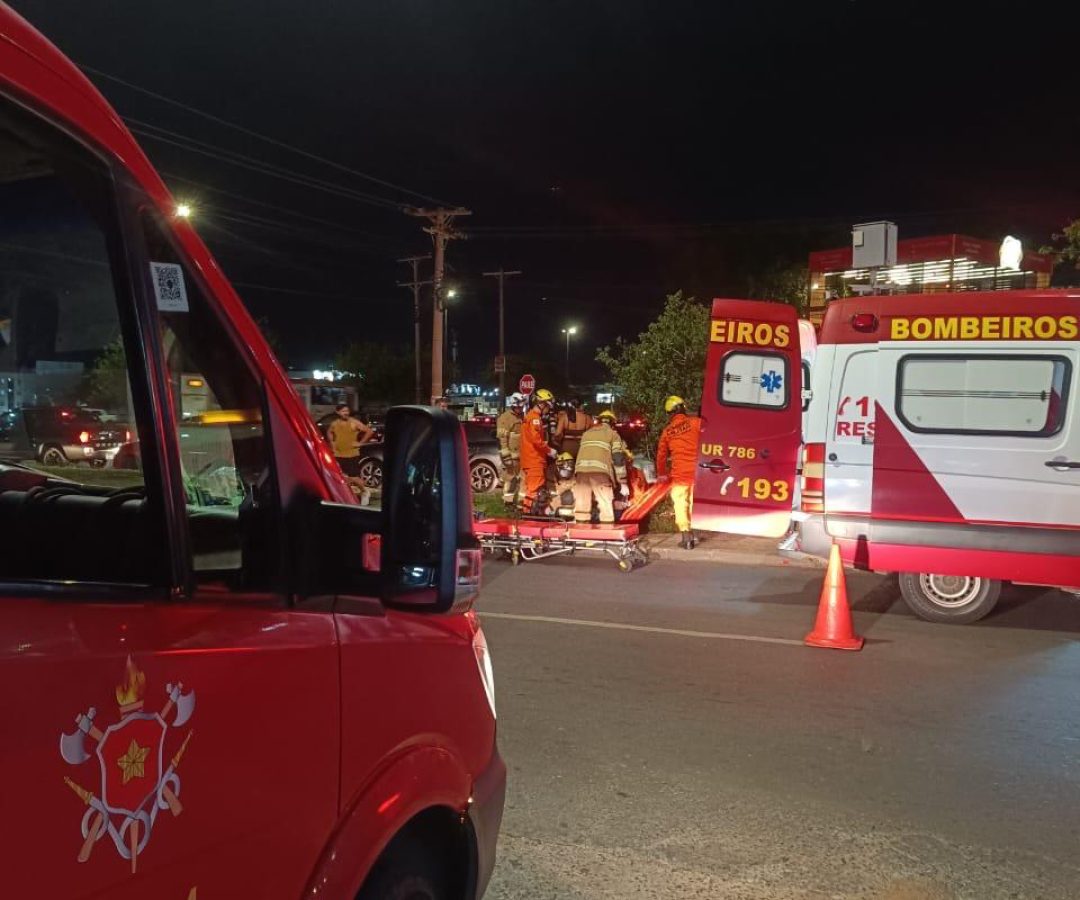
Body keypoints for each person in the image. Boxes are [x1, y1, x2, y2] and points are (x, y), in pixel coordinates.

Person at [656, 394, 702, 549]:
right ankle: (695, 532)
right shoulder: (696, 422)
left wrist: (661, 473)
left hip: (680, 475)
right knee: (694, 503)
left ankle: (686, 537)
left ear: (670, 413)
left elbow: (661, 455)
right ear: (683, 408)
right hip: (698, 472)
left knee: (681, 503)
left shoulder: (667, 431)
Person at [573, 409, 628, 524]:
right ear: (613, 423)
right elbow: (618, 458)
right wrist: (622, 481)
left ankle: (581, 536)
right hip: (600, 474)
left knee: (581, 508)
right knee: (605, 507)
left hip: (580, 473)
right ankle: (607, 536)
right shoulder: (613, 434)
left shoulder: (586, 434)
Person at [520, 388, 558, 514]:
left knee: (531, 490)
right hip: (534, 460)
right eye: (548, 406)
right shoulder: (534, 419)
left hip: (531, 459)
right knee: (535, 490)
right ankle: (529, 517)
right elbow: (536, 440)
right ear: (541, 404)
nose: (548, 409)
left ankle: (527, 514)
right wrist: (549, 450)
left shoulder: (531, 417)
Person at [326, 402, 375, 486]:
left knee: (354, 477)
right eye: (343, 411)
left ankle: (365, 492)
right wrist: (332, 443)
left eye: (347, 411)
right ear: (337, 412)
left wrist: (360, 443)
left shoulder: (354, 422)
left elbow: (369, 431)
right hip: (338, 455)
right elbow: (329, 432)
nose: (346, 413)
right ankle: (348, 494)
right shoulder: (334, 423)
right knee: (341, 477)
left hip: (351, 455)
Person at [496, 393, 526, 505]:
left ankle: (521, 503)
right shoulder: (505, 418)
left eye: (522, 407)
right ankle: (508, 503)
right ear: (513, 405)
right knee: (511, 479)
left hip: (522, 455)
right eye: (519, 406)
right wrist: (506, 456)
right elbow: (502, 439)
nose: (521, 409)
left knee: (523, 479)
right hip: (511, 456)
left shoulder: (522, 417)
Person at [549, 451, 577, 519]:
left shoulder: (578, 478)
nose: (569, 467)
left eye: (571, 464)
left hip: (571, 518)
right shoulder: (551, 478)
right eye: (568, 464)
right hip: (552, 517)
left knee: (567, 496)